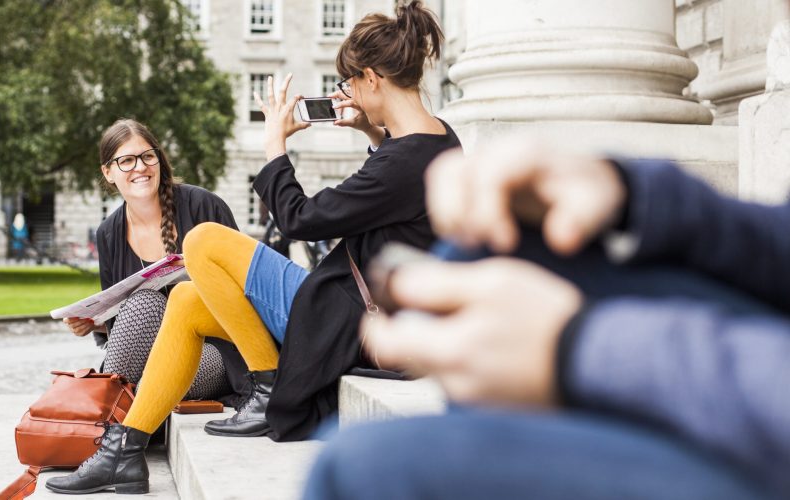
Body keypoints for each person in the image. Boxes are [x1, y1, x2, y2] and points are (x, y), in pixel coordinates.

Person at [45, 2, 459, 495]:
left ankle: (266, 382)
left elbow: (299, 219)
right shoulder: (438, 139)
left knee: (201, 240)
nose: (347, 95)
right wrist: (371, 130)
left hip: (348, 323)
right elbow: (387, 188)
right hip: (348, 309)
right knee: (184, 300)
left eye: (349, 84)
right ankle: (126, 449)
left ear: (371, 78)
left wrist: (274, 146)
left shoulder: (406, 160)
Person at [302, 140, 790, 500]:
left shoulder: (400, 160)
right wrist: (630, 192)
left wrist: (579, 347)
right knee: (488, 250)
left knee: (360, 471)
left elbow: (303, 216)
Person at [61, 119, 249, 408]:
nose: (140, 167)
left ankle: (106, 416)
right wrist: (95, 324)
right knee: (144, 305)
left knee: (147, 321)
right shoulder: (109, 233)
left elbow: (247, 288)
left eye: (147, 156)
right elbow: (120, 323)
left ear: (159, 159)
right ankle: (117, 419)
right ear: (108, 172)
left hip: (213, 351)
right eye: (126, 161)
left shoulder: (204, 207)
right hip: (147, 358)